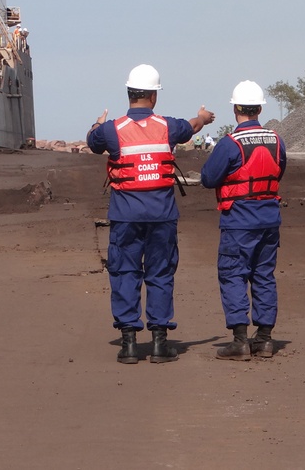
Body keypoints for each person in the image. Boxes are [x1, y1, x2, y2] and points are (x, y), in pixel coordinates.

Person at [87, 64, 215, 364]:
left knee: (124, 273)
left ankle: (129, 343)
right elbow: (193, 126)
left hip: (125, 217)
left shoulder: (111, 130)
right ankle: (159, 343)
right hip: (161, 217)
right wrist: (205, 118)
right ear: (154, 97)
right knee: (160, 274)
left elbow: (93, 142)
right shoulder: (168, 127)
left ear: (129, 93)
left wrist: (97, 124)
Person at [200, 81, 287, 360]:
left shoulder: (230, 143)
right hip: (269, 219)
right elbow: (279, 170)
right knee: (263, 276)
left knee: (233, 275)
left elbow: (208, 178)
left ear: (236, 109)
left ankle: (239, 341)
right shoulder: (276, 140)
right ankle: (264, 340)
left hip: (239, 220)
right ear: (260, 108)